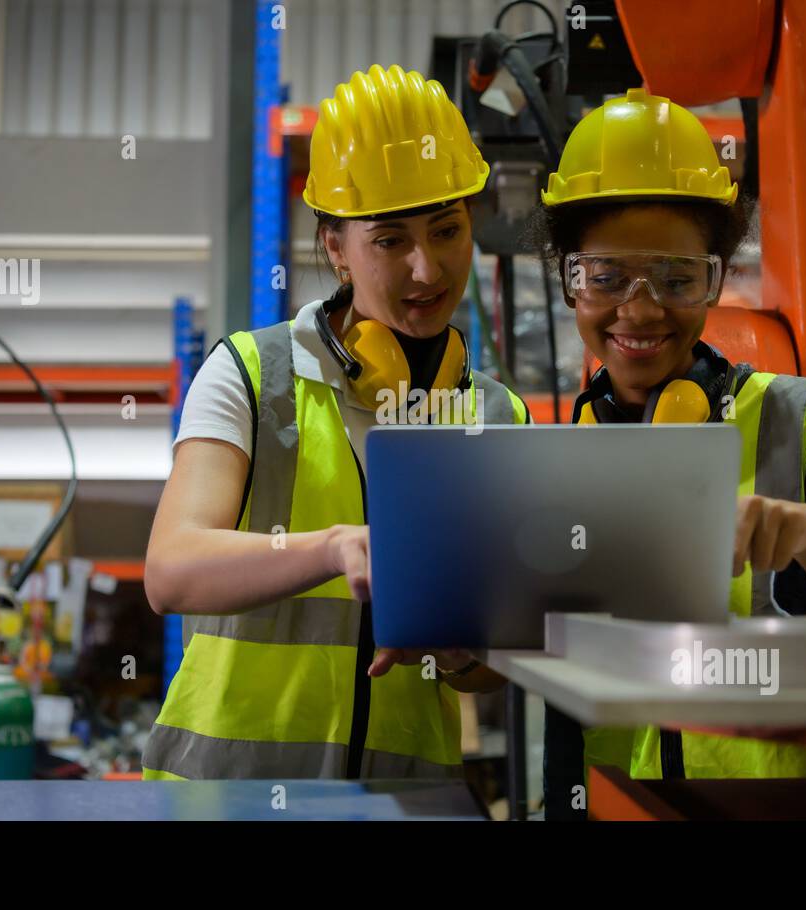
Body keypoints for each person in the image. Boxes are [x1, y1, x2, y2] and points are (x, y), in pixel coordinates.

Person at [532, 89, 806, 815]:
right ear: (569, 283)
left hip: (790, 813)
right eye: (607, 278)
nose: (640, 311)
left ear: (715, 278)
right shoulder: (546, 458)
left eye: (677, 279)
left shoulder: (802, 419)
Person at [142, 65, 527, 781]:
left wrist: (462, 651)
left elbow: (492, 669)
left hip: (399, 799)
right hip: (225, 800)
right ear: (335, 249)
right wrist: (332, 549)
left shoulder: (496, 415)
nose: (426, 269)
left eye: (446, 230)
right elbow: (170, 571)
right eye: (389, 241)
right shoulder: (254, 377)